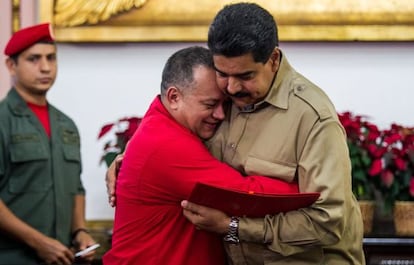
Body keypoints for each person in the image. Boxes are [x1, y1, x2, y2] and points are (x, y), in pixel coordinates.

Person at [179, 2, 365, 265]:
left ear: (273, 59)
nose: (231, 87)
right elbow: (172, 136)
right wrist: (126, 163)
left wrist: (233, 226)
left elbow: (327, 220)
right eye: (222, 73)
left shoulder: (312, 116)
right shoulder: (217, 97)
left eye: (245, 75)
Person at [102, 46, 300, 265]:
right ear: (174, 97)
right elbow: (246, 195)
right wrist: (311, 188)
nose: (220, 114)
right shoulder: (166, 142)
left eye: (225, 104)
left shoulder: (159, 125)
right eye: (210, 104)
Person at [0, 23, 96, 265]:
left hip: (61, 257)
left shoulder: (66, 125)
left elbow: (76, 187)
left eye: (51, 58)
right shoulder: (2, 120)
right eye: (34, 59)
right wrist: (38, 242)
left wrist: (79, 231)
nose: (45, 67)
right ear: (12, 66)